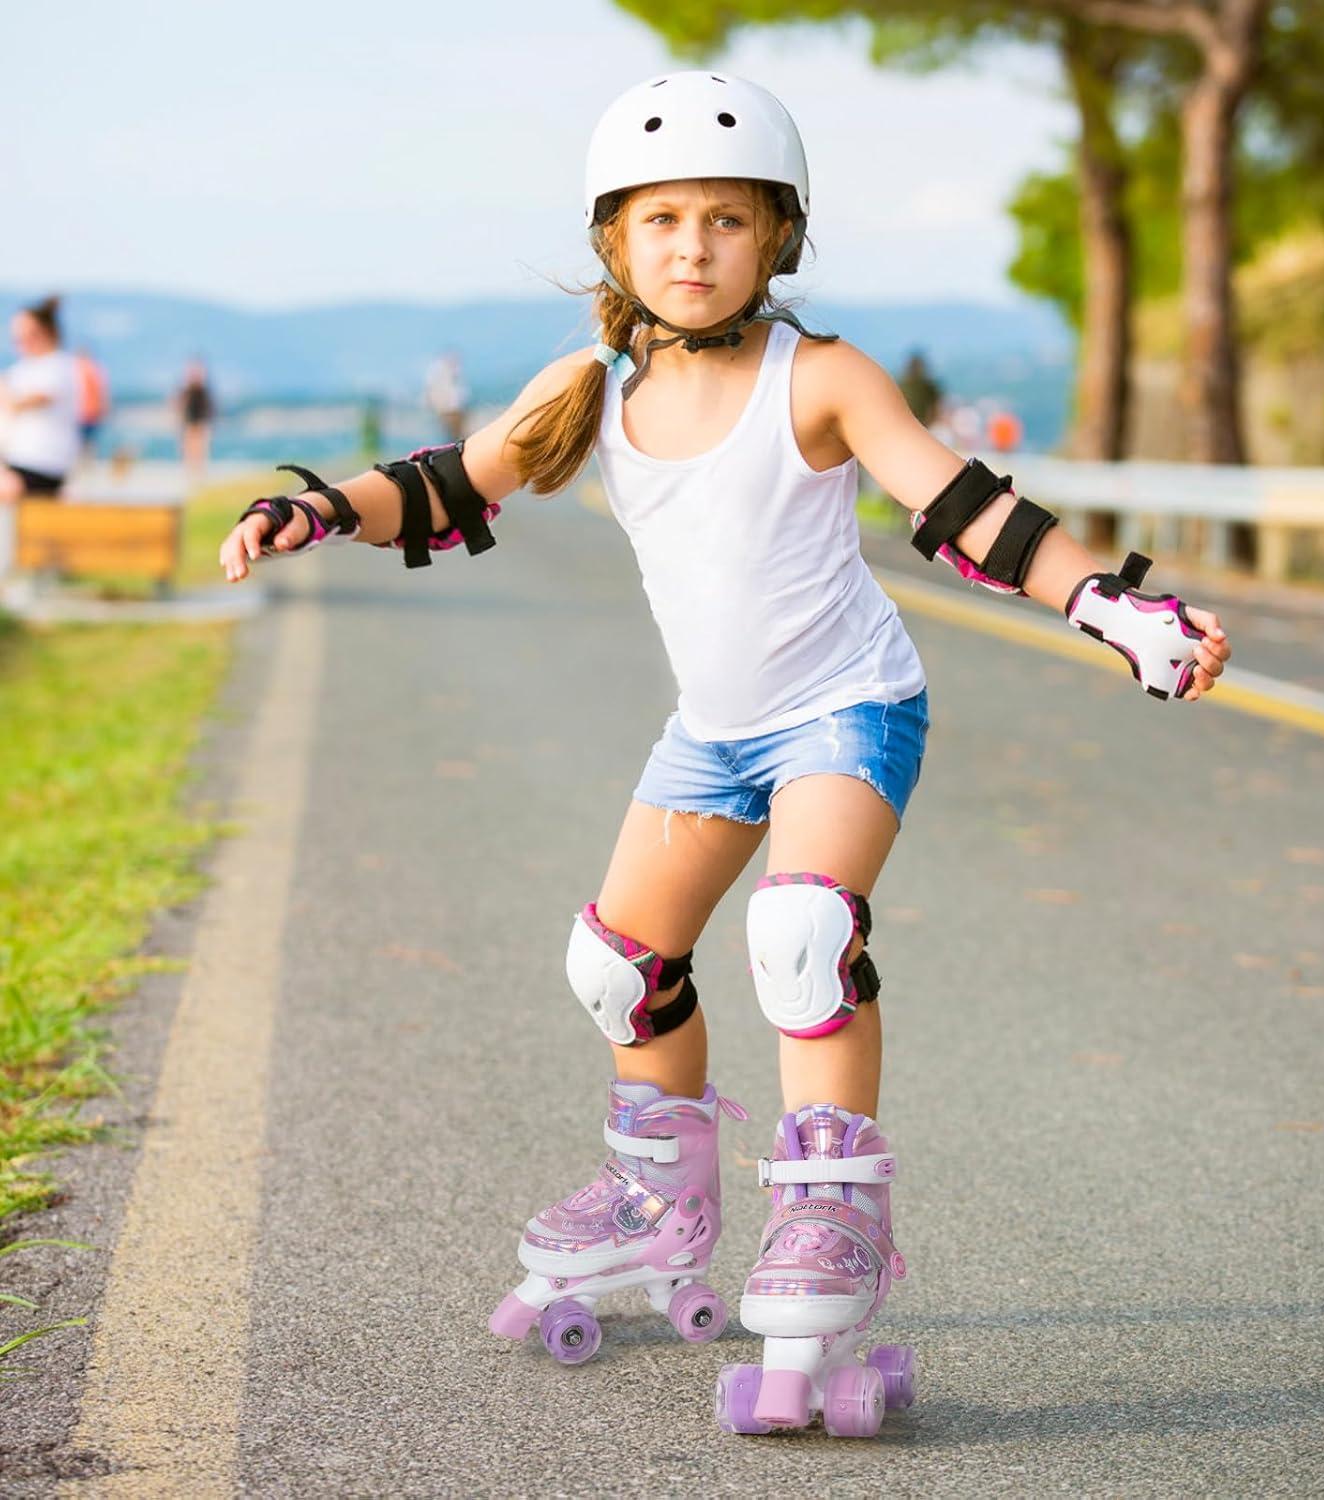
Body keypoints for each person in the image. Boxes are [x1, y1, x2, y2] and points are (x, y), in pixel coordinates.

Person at [217, 72, 1232, 1437]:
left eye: (726, 220)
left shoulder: (817, 377)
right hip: (713, 733)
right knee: (616, 967)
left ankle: (826, 1217)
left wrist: (1109, 604)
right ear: (616, 244)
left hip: (845, 709)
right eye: (662, 221)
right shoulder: (587, 391)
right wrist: (316, 507)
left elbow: (966, 509)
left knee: (802, 929)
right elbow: (454, 481)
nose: (692, 247)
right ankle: (659, 1200)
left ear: (777, 241)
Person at [0, 295, 80, 501]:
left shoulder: (59, 365)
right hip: (17, 461)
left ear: (45, 333)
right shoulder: (21, 370)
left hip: (42, 465)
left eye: (27, 334)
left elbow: (31, 401)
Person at [175, 357, 215, 482]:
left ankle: (198, 470)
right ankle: (191, 470)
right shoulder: (188, 390)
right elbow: (180, 405)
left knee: (199, 447)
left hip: (200, 420)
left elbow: (209, 407)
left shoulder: (202, 390)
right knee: (190, 446)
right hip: (190, 420)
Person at [75, 345, 111, 459]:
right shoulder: (95, 369)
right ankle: (87, 461)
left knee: (81, 441)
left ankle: (83, 461)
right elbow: (103, 391)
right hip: (91, 411)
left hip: (82, 411)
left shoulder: (75, 369)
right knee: (89, 441)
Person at [424, 351, 468, 444]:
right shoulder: (440, 374)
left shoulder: (455, 374)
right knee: (451, 437)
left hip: (455, 411)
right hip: (448, 411)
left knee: (456, 437)